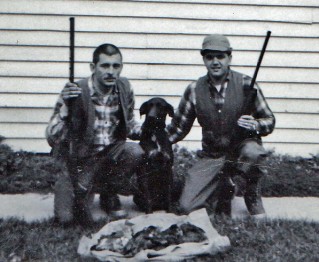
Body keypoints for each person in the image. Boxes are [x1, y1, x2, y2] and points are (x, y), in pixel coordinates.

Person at [167, 34, 275, 217]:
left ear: (229, 58)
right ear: (204, 60)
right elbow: (178, 129)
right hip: (213, 155)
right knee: (186, 207)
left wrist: (255, 124)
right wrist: (152, 138)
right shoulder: (194, 89)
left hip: (242, 150)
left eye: (220, 56)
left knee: (253, 152)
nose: (215, 62)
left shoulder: (246, 83)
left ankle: (251, 190)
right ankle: (223, 189)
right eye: (209, 57)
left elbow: (269, 120)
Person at [46, 43, 145, 227]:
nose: (110, 72)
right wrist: (66, 109)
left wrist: (148, 131)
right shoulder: (75, 91)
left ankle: (109, 193)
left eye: (116, 66)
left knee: (136, 152)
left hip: (111, 153)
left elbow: (129, 123)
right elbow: (52, 136)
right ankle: (82, 189)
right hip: (81, 160)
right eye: (105, 66)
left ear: (121, 68)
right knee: (65, 218)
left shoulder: (124, 87)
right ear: (93, 67)